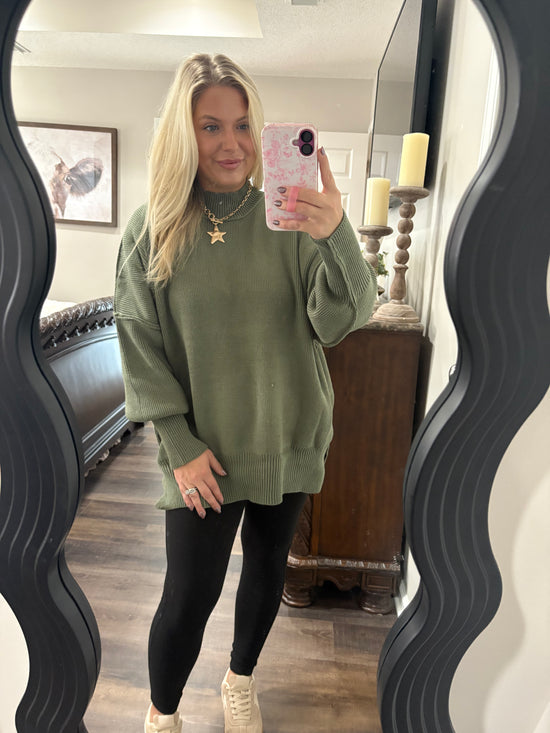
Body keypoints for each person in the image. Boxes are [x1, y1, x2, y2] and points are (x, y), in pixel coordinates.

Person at [114, 52, 377, 733]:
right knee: (188, 595)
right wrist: (178, 444)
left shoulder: (290, 217)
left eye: (242, 125)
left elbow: (343, 318)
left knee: (266, 570)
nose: (230, 143)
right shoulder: (150, 229)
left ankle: (240, 679)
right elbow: (138, 344)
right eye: (210, 126)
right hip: (202, 452)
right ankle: (162, 715)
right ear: (184, 133)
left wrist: (336, 235)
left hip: (287, 431)